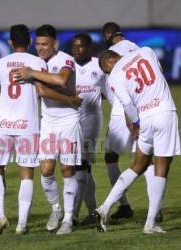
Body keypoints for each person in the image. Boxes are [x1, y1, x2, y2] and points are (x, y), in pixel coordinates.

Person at [0, 24, 81, 236]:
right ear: (30, 42)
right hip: (31, 123)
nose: (40, 47)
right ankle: (24, 223)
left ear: (10, 42)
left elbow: (0, 90)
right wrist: (71, 99)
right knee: (32, 173)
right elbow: (41, 89)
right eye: (38, 43)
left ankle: (1, 216)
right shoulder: (38, 62)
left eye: (44, 44)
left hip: (5, 122)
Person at [94, 47, 180, 234]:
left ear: (107, 64)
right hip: (164, 112)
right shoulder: (147, 51)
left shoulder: (115, 76)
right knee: (162, 167)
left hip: (146, 118)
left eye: (106, 71)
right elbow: (158, 75)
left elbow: (127, 104)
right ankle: (151, 223)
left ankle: (105, 207)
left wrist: (136, 124)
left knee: (138, 166)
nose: (108, 73)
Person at [102, 22, 139, 219]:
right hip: (144, 105)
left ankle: (124, 205)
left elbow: (112, 85)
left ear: (107, 35)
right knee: (145, 158)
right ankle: (155, 210)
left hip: (122, 108)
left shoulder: (111, 54)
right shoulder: (138, 48)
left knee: (110, 157)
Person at [71, 33, 107, 225]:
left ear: (89, 48)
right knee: (84, 168)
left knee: (80, 165)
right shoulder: (67, 65)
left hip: (91, 120)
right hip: (70, 121)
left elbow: (110, 91)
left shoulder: (98, 66)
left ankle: (73, 216)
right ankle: (93, 211)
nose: (76, 50)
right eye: (74, 46)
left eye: (81, 46)